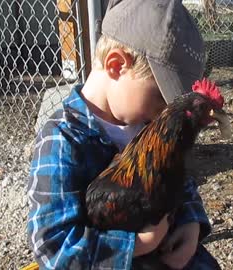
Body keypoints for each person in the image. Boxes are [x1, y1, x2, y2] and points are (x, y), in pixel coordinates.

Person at [27, 0, 220, 269]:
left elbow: (179, 179)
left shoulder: (148, 125)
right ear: (116, 65)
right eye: (160, 97)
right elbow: (53, 245)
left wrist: (191, 221)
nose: (165, 111)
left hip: (161, 250)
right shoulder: (61, 139)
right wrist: (141, 245)